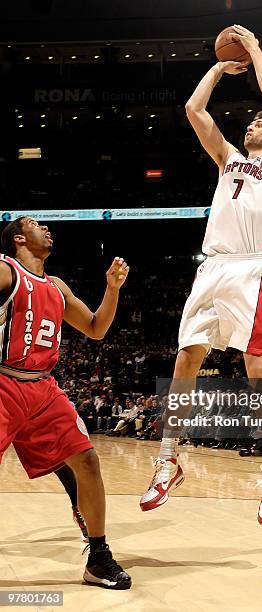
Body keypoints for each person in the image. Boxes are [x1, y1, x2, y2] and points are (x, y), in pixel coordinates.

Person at [140, 24, 262, 526]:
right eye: (249, 120)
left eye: (259, 121)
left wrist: (252, 47)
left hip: (253, 270)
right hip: (212, 266)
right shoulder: (229, 158)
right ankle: (168, 459)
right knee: (186, 360)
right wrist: (218, 67)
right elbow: (193, 111)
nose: (254, 122)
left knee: (256, 370)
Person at [0, 216, 131, 589]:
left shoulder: (56, 286)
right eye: (36, 224)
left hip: (43, 389)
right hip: (3, 382)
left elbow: (96, 328)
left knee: (87, 461)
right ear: (19, 237)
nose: (47, 228)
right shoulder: (6, 270)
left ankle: (99, 558)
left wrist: (112, 289)